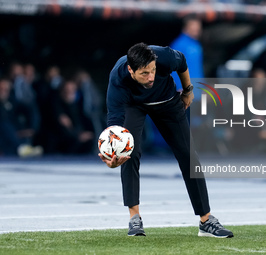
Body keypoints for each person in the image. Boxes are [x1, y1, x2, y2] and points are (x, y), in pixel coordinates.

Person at [98, 43, 234, 238]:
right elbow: (115, 127)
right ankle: (134, 218)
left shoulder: (165, 56)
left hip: (167, 102)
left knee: (188, 155)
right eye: (145, 73)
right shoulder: (118, 80)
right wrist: (111, 157)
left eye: (153, 70)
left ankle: (206, 220)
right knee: (129, 152)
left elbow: (183, 63)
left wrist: (187, 90)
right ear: (130, 70)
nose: (151, 77)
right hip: (134, 106)